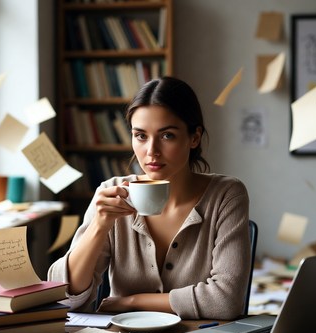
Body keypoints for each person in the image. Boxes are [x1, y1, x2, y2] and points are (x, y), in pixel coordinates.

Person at [48, 76, 251, 320]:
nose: (151, 151)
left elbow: (226, 302)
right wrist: (99, 227)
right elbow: (62, 297)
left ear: (194, 138)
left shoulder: (226, 195)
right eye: (141, 136)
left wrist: (134, 301)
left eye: (167, 136)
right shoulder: (111, 192)